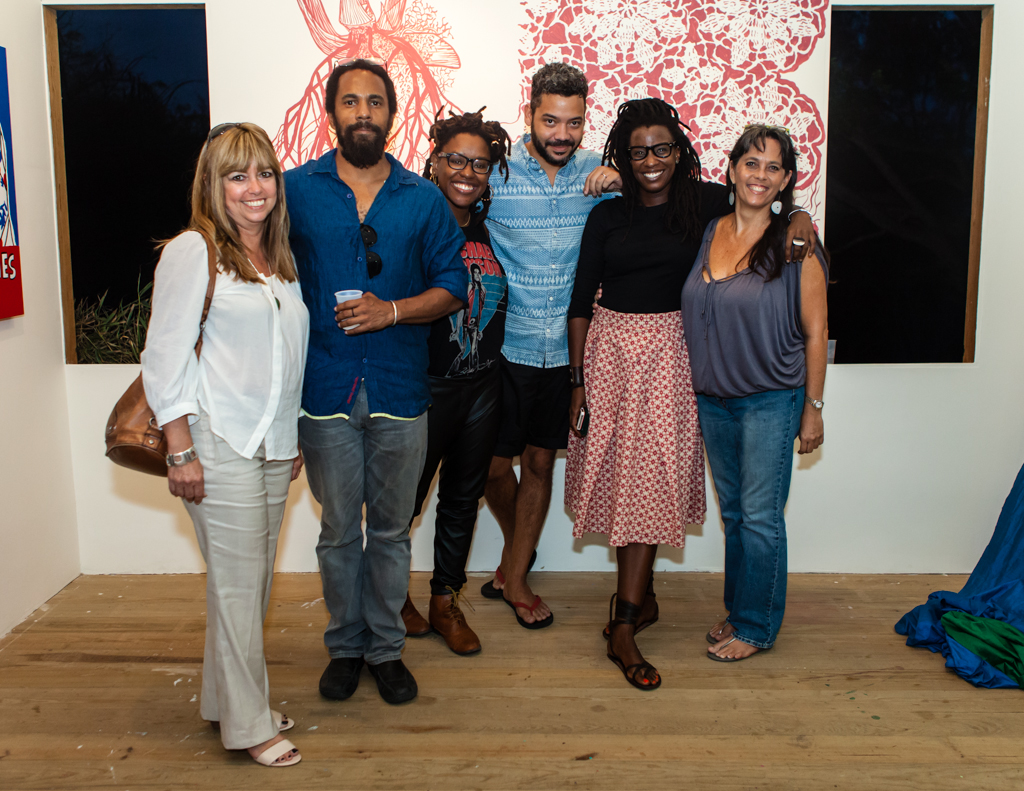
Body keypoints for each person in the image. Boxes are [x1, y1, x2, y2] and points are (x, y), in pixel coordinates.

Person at [284, 60, 467, 704]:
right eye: (350, 101)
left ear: (392, 112)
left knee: (390, 532)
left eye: (375, 102)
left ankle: (386, 649)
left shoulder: (422, 198)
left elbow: (454, 286)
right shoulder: (294, 190)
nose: (363, 112)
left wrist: (391, 311)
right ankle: (345, 647)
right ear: (331, 111)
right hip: (324, 389)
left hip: (399, 391)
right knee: (338, 533)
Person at [141, 123, 309, 766]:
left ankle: (224, 702)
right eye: (237, 176)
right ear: (213, 184)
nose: (254, 187)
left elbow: (284, 359)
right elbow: (164, 356)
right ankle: (249, 724)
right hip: (218, 441)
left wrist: (289, 437)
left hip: (270, 444)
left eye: (264, 173)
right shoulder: (195, 250)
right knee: (240, 591)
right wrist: (180, 449)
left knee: (248, 586)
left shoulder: (279, 261)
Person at [565, 98, 726, 690]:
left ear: (679, 152)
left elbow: (769, 205)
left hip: (673, 358)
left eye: (661, 149)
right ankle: (634, 609)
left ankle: (626, 619)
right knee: (625, 481)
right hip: (610, 355)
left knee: (653, 479)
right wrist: (577, 382)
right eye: (638, 153)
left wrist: (802, 219)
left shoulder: (706, 204)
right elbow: (580, 301)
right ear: (623, 157)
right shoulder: (608, 216)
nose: (651, 161)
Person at [681, 124, 829, 662]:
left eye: (772, 167)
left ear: (786, 179)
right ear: (732, 169)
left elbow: (816, 331)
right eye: (751, 163)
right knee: (737, 516)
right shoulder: (709, 230)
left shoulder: (796, 244)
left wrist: (813, 409)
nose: (759, 175)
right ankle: (741, 608)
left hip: (771, 398)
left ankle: (757, 627)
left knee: (762, 517)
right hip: (713, 400)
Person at [481, 63, 621, 628]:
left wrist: (622, 178)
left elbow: (670, 192)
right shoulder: (497, 172)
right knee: (491, 468)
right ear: (530, 112)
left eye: (574, 122)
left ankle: (515, 578)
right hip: (503, 348)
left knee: (540, 461)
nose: (562, 134)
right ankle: (520, 550)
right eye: (550, 121)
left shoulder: (598, 174)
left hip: (566, 352)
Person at [400, 109, 512, 655]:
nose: (468, 172)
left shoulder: (487, 229)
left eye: (480, 164)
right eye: (456, 160)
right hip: (427, 388)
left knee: (463, 501)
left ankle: (445, 601)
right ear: (435, 163)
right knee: (405, 502)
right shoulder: (413, 224)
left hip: (483, 386)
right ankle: (391, 595)